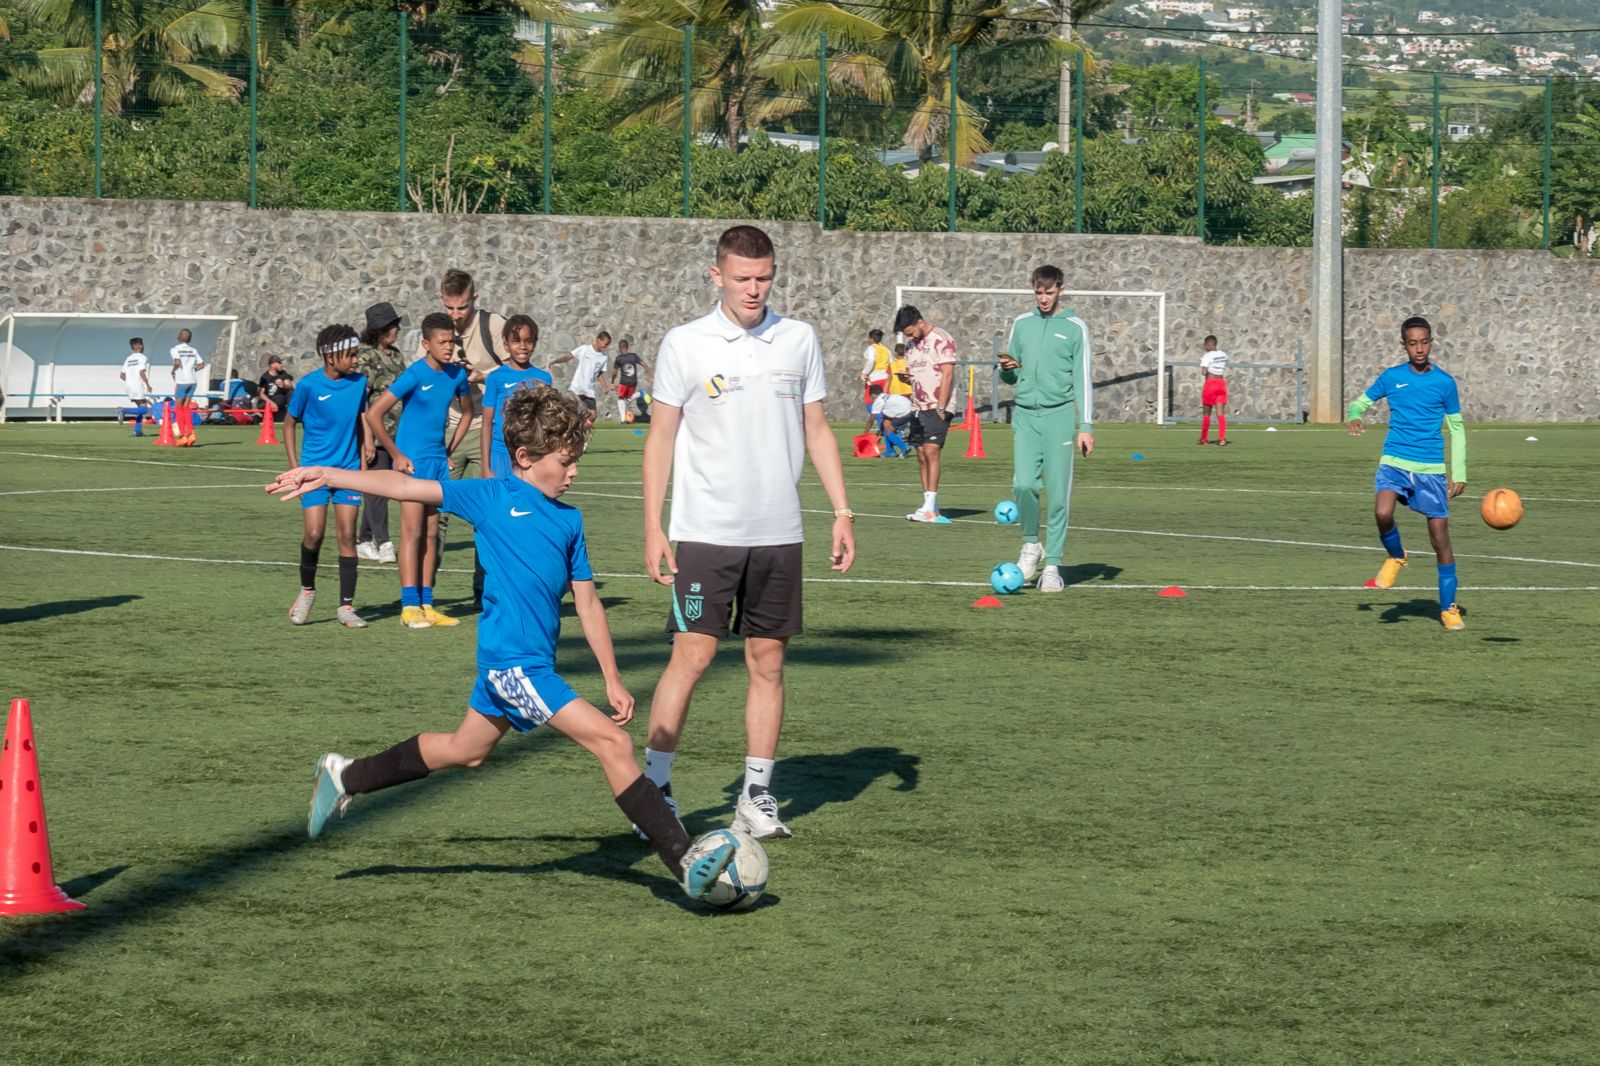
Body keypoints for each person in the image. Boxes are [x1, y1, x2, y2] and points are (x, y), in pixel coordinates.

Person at [274, 386, 737, 903]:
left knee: (465, 751)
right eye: (565, 462)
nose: (574, 473)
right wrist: (329, 475)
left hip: (525, 668)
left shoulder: (570, 520)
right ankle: (684, 859)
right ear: (524, 458)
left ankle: (346, 775)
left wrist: (611, 675)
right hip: (512, 666)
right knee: (613, 743)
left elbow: (586, 603)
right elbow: (406, 487)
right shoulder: (491, 497)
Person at [642, 224, 856, 841]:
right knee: (694, 654)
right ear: (717, 275)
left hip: (779, 533)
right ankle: (653, 790)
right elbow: (660, 438)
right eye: (742, 278)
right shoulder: (685, 344)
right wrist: (654, 525)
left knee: (768, 661)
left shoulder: (799, 339)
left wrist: (841, 512)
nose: (754, 289)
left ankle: (757, 796)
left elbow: (816, 428)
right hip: (705, 532)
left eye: (764, 278)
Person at [1346, 315, 1467, 631]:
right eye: (1412, 343)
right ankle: (1396, 556)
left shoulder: (1444, 382)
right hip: (1395, 461)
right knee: (1382, 512)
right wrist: (1355, 416)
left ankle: (1448, 608)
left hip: (1431, 470)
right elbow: (1359, 403)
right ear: (1404, 345)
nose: (1419, 348)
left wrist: (1460, 472)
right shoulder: (1392, 377)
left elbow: (1456, 428)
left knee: (1440, 538)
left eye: (1424, 342)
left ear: (1431, 342)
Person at [368, 312, 472, 629]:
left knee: (431, 534)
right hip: (412, 465)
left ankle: (427, 603)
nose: (449, 347)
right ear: (426, 344)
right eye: (442, 342)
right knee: (411, 535)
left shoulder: (457, 376)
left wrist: (448, 451)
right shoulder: (414, 374)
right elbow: (374, 414)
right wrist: (397, 455)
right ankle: (409, 605)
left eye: (452, 341)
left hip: (438, 465)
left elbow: (467, 414)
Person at [998, 264, 1095, 594]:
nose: (1043, 298)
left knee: (1057, 495)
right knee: (1023, 485)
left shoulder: (1074, 327)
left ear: (1061, 290)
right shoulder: (1021, 325)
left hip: (1059, 419)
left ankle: (1052, 565)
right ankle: (1030, 546)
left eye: (1049, 292)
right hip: (1025, 417)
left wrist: (1086, 426)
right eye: (1038, 292)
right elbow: (1010, 376)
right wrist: (1007, 370)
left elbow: (1083, 379)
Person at [418, 269, 507, 607]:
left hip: (489, 428)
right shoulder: (435, 331)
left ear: (475, 299)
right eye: (450, 308)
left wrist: (484, 376)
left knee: (488, 513)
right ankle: (424, 595)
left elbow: (516, 363)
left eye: (462, 308)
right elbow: (423, 378)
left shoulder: (494, 325)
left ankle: (483, 592)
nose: (456, 316)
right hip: (450, 430)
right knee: (434, 513)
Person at [281, 325, 371, 629]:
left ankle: (346, 607)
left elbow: (360, 421)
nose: (356, 360)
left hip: (347, 472)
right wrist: (296, 470)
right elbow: (289, 424)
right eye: (351, 354)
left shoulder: (360, 384)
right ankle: (307, 591)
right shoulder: (308, 386)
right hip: (313, 473)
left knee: (348, 535)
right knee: (314, 533)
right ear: (330, 356)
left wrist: (363, 459)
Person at [354, 302, 407, 565]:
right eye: (393, 325)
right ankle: (384, 541)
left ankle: (363, 539)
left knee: (381, 489)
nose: (397, 329)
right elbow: (361, 400)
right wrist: (366, 438)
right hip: (375, 432)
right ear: (379, 329)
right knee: (376, 490)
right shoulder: (365, 355)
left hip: (397, 433)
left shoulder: (395, 355)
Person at [894, 305, 957, 524]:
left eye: (910, 332)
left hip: (936, 405)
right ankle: (930, 507)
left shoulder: (941, 338)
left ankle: (929, 507)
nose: (908, 336)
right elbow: (917, 374)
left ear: (920, 322)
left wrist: (941, 406)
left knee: (932, 451)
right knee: (920, 454)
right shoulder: (911, 346)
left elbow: (948, 373)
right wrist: (907, 379)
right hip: (917, 406)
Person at [481, 315, 554, 479]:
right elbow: (486, 424)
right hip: (499, 454)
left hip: (531, 455)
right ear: (506, 345)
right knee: (500, 502)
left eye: (528, 341)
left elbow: (545, 423)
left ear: (535, 344)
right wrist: (486, 467)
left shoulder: (544, 379)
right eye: (516, 341)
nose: (522, 347)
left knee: (525, 502)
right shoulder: (495, 378)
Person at [549, 331, 612, 418]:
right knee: (569, 413)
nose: (606, 346)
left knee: (592, 416)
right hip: (576, 388)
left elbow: (600, 373)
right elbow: (568, 357)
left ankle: (581, 430)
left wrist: (604, 386)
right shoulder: (584, 349)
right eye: (605, 344)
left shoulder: (604, 357)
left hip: (589, 391)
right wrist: (555, 361)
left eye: (607, 344)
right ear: (598, 340)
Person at [170, 328, 205, 446]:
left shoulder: (175, 349)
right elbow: (201, 364)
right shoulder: (193, 350)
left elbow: (177, 362)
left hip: (182, 381)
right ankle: (190, 433)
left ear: (179, 337)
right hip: (193, 381)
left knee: (179, 408)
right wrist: (192, 370)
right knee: (186, 408)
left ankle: (183, 436)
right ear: (190, 339)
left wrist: (173, 371)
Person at [609, 336, 651, 423]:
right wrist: (650, 376)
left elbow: (614, 372)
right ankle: (641, 393)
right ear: (627, 347)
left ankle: (623, 419)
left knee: (620, 398)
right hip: (633, 382)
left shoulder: (619, 358)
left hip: (624, 382)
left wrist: (612, 381)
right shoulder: (634, 356)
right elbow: (644, 364)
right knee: (628, 399)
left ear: (620, 348)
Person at [864, 383, 912, 458]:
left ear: (873, 395)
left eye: (871, 397)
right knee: (886, 424)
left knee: (888, 429)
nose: (871, 400)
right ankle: (890, 452)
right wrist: (880, 431)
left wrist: (865, 434)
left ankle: (904, 447)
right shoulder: (887, 396)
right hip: (910, 410)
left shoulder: (878, 401)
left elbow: (871, 420)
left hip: (904, 413)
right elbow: (886, 417)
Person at [1197, 334, 1229, 446]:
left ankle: (1204, 439)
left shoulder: (1207, 356)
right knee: (1220, 413)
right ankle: (1222, 439)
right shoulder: (1223, 355)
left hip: (1211, 384)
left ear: (1207, 345)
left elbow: (1204, 372)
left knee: (1207, 413)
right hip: (1221, 383)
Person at [120, 338, 152, 428]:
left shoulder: (128, 359)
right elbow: (141, 372)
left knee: (140, 408)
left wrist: (130, 380)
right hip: (138, 386)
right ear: (140, 346)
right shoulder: (143, 357)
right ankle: (123, 410)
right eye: (142, 344)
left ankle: (137, 431)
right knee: (144, 409)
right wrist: (148, 385)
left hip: (129, 386)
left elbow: (122, 375)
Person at [859, 328, 891, 410]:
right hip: (884, 378)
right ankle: (883, 420)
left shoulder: (871, 348)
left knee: (869, 402)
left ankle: (879, 420)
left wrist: (864, 373)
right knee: (884, 402)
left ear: (871, 339)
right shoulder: (886, 350)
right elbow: (891, 363)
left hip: (873, 379)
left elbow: (871, 361)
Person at [258, 356, 296, 421]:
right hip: (269, 401)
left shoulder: (282, 373)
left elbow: (289, 384)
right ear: (272, 365)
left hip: (281, 401)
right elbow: (261, 394)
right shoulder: (264, 378)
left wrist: (283, 385)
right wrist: (271, 403)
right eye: (279, 363)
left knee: (291, 392)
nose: (281, 365)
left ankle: (292, 414)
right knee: (280, 398)